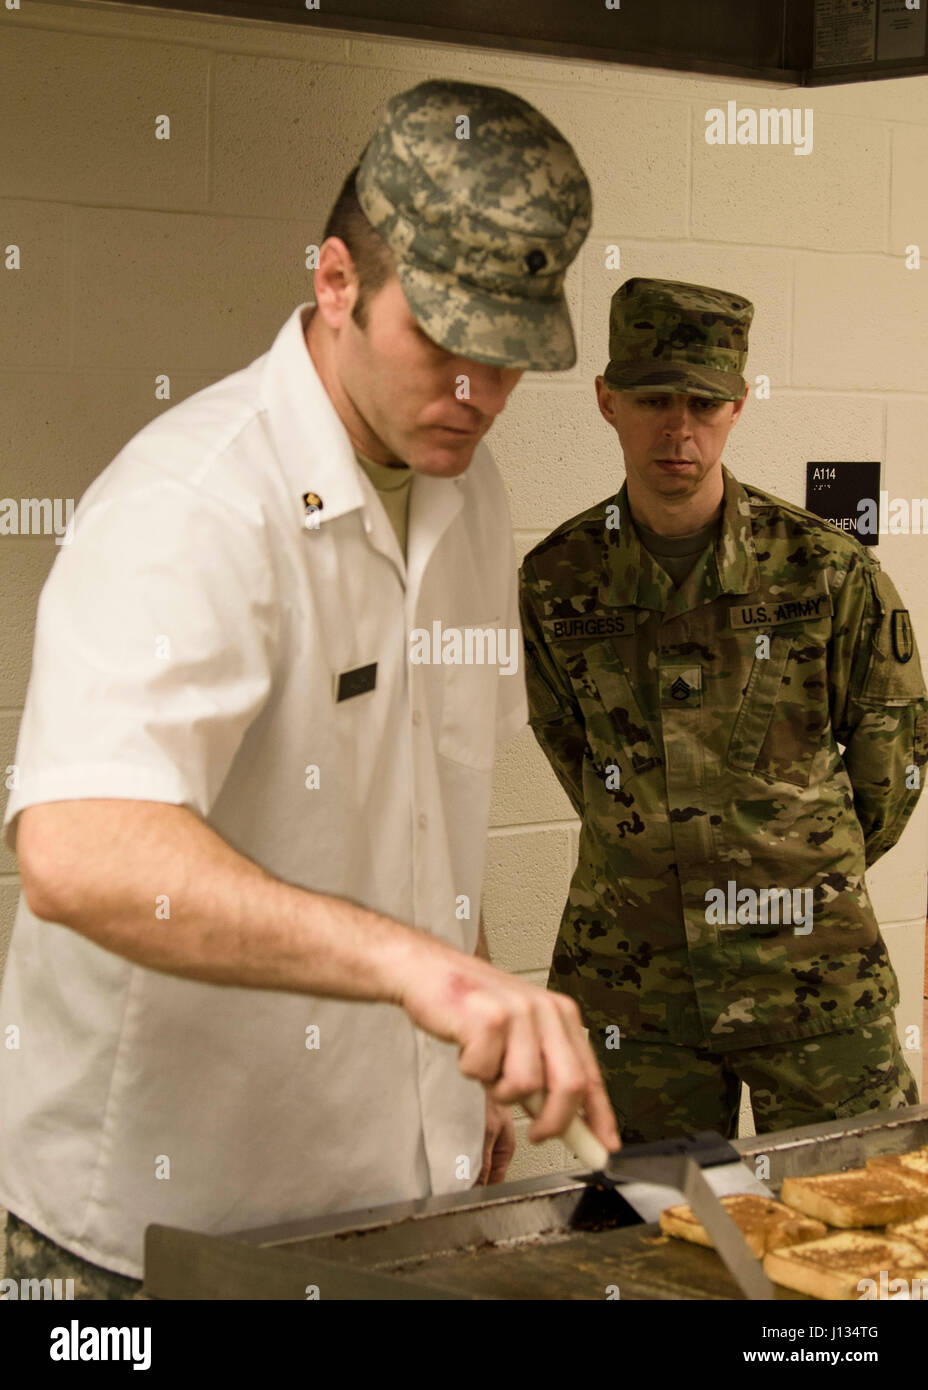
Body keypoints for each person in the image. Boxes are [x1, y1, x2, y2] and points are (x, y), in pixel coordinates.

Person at [0, 80, 620, 1300]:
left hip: (386, 1195)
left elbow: (432, 802)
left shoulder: (468, 491)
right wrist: (419, 971)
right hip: (142, 1235)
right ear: (336, 281)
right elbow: (75, 851)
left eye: (509, 359)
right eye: (444, 343)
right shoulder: (193, 500)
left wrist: (470, 1034)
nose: (479, 395)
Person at [519, 276, 928, 1145]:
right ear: (607, 401)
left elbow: (891, 768)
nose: (680, 428)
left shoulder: (826, 571)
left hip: (813, 977)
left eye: (705, 402)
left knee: (868, 1243)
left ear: (738, 407)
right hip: (637, 994)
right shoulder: (557, 578)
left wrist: (792, 868)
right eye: (654, 398)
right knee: (650, 1246)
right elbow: (574, 752)